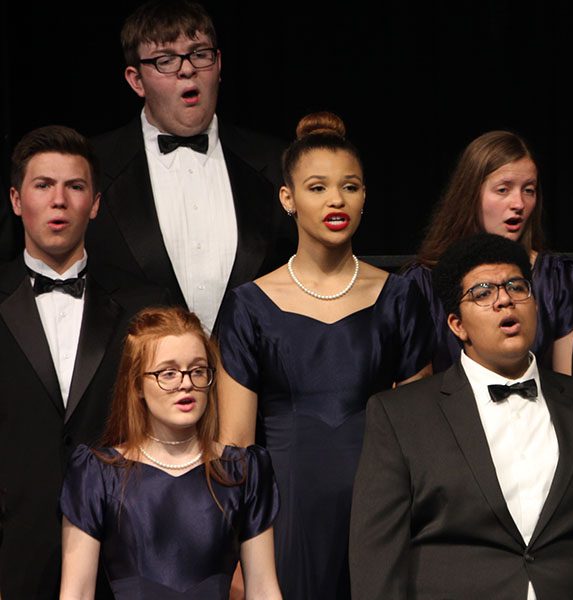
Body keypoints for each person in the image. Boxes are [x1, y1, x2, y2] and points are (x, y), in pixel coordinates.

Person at [350, 233, 573, 599]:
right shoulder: (401, 416)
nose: (504, 300)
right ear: (457, 325)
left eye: (516, 287)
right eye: (482, 293)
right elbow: (377, 560)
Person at [217, 111, 434, 600]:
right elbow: (234, 444)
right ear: (287, 199)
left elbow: (424, 435)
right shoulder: (249, 305)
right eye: (317, 188)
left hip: (382, 509)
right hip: (285, 513)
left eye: (350, 187)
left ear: (364, 198)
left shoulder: (400, 298)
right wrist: (236, 549)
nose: (337, 200)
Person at [0, 126, 169, 600]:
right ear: (17, 200)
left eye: (74, 187)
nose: (59, 201)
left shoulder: (144, 307)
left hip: (125, 552)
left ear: (94, 203)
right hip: (15, 554)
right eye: (42, 185)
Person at [87, 0, 295, 333]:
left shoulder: (277, 162)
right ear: (136, 80)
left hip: (257, 380)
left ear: (219, 64)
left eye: (199, 54)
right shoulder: (93, 168)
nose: (187, 69)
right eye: (166, 60)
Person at [59, 306, 281, 599]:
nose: (186, 383)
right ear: (137, 383)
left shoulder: (243, 471)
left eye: (198, 370)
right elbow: (77, 593)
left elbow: (264, 590)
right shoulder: (98, 474)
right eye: (169, 372)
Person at [405, 130, 573, 374]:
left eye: (528, 190)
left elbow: (571, 388)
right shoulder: (422, 283)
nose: (519, 204)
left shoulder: (555, 277)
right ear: (470, 195)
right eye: (503, 190)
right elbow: (413, 396)